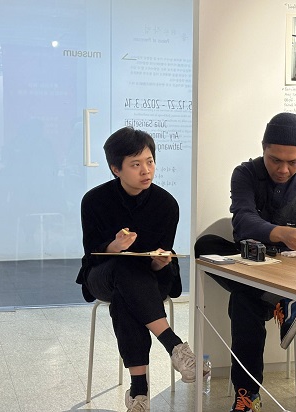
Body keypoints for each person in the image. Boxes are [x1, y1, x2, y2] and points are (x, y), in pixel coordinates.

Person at [194, 112, 296, 412]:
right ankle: (277, 301)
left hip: (289, 273)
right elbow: (242, 221)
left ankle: (247, 397)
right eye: (274, 160)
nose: (283, 169)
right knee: (205, 246)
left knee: (243, 300)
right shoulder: (245, 173)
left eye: (293, 162)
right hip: (250, 264)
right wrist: (280, 232)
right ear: (263, 149)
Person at [76, 127, 207, 412]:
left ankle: (139, 394)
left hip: (151, 278)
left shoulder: (166, 204)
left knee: (126, 298)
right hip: (103, 275)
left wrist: (160, 261)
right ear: (116, 169)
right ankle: (175, 346)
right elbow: (92, 253)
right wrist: (115, 246)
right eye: (136, 164)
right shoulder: (94, 201)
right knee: (123, 269)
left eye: (150, 161)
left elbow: (161, 253)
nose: (146, 170)